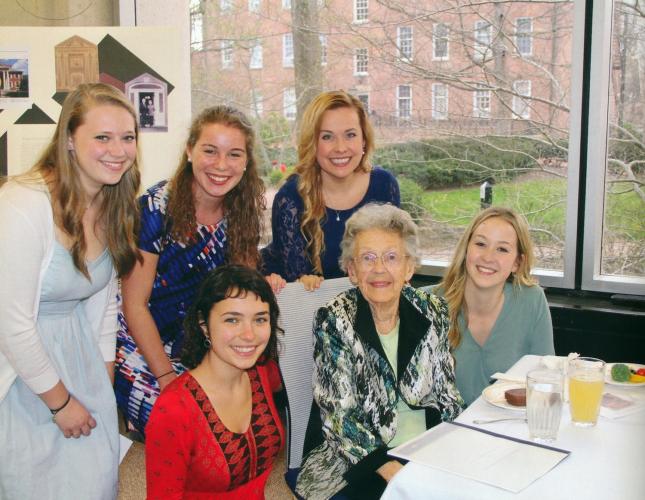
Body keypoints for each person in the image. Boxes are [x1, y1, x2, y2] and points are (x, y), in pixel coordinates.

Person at [0, 83, 141, 499]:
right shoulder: (21, 204)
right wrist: (61, 404)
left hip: (79, 358)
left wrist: (101, 384)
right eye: (102, 137)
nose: (118, 150)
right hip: (21, 371)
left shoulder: (111, 203)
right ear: (69, 142)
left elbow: (101, 305)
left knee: (95, 482)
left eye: (127, 137)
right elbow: (12, 324)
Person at [115, 105, 283, 434]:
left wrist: (264, 283)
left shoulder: (242, 209)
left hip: (198, 340)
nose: (221, 165)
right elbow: (133, 305)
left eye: (234, 154)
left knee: (227, 433)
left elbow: (240, 291)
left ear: (246, 161)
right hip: (140, 339)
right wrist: (166, 378)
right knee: (182, 429)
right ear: (190, 151)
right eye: (210, 151)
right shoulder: (154, 208)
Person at [295, 204, 463, 500]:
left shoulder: (433, 310)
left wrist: (457, 447)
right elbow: (340, 418)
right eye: (367, 258)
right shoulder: (334, 319)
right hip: (353, 460)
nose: (379, 269)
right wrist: (391, 471)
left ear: (409, 268)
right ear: (352, 270)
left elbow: (446, 394)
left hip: (422, 448)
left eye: (391, 257)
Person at [145, 265, 284, 499]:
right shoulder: (173, 410)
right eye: (232, 320)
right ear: (204, 325)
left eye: (260, 319)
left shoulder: (263, 372)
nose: (249, 335)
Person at [262, 90, 400, 290]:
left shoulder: (384, 186)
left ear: (363, 140)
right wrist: (303, 282)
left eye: (350, 135)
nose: (340, 147)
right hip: (303, 305)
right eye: (327, 137)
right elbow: (298, 286)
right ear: (313, 143)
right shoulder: (291, 197)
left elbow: (391, 258)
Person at [434, 206, 554, 406]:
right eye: (481, 244)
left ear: (517, 262)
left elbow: (545, 382)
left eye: (502, 249)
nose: (488, 257)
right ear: (466, 250)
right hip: (443, 431)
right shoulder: (428, 302)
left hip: (508, 430)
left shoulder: (532, 301)